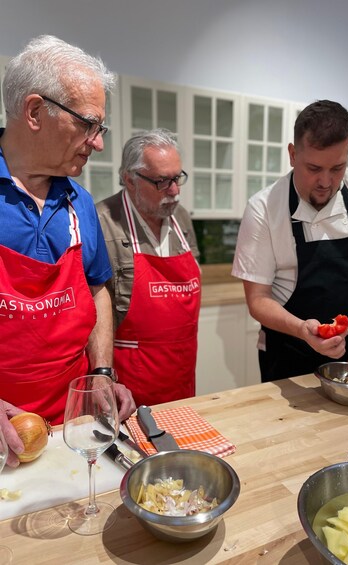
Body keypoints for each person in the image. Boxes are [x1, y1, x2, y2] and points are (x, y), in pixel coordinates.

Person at [0, 35, 136, 466]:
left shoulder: (79, 203)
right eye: (88, 123)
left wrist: (100, 371)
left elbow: (96, 289)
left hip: (71, 422)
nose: (97, 142)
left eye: (101, 129)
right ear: (36, 112)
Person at [232, 99, 348, 382]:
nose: (326, 182)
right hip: (288, 360)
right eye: (314, 168)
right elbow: (257, 299)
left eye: (337, 168)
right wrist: (303, 329)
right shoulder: (264, 208)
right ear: (292, 154)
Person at [96, 129, 201, 407]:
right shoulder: (102, 223)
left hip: (181, 377)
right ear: (130, 179)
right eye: (162, 182)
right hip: (127, 386)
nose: (175, 192)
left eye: (177, 178)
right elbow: (92, 315)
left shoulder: (181, 219)